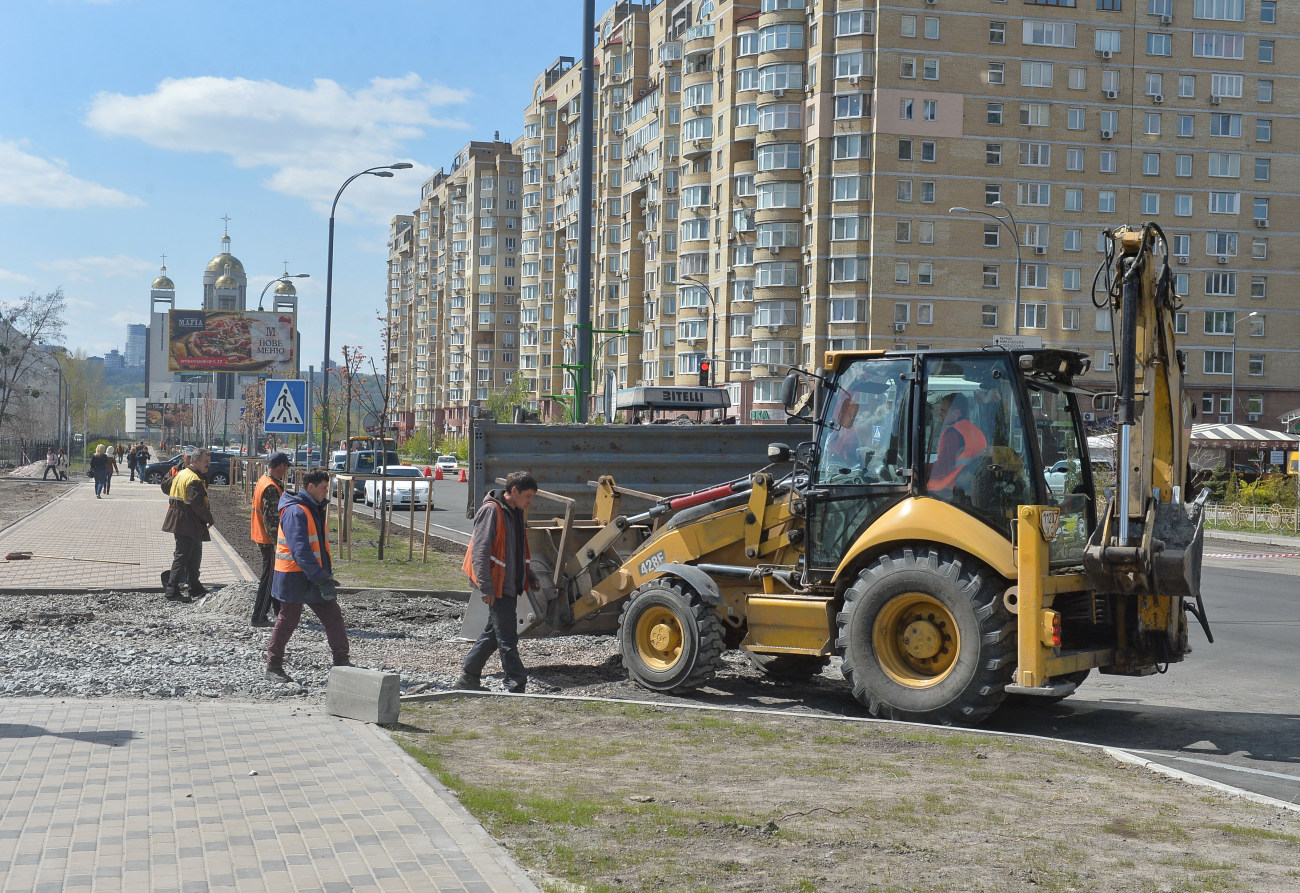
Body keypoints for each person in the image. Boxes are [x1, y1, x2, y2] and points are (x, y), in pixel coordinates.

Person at [454, 471, 540, 694]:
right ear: (513, 491)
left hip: (508, 584)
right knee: (507, 638)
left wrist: (529, 576)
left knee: (494, 634)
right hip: (497, 586)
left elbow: (517, 550)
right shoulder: (491, 512)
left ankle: (468, 676)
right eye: (528, 495)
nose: (530, 501)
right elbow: (480, 552)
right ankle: (515, 683)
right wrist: (486, 587)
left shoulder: (515, 512)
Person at [265, 469, 348, 683]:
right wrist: (321, 577)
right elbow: (300, 550)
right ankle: (273, 666)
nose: (326, 492)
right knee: (288, 619)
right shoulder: (297, 512)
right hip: (294, 576)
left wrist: (322, 575)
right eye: (323, 488)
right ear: (310, 487)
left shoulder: (311, 508)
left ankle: (342, 662)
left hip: (309, 575)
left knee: (333, 616)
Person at [162, 450, 214, 602]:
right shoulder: (193, 479)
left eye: (209, 463)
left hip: (181, 520)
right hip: (187, 522)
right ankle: (172, 590)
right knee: (183, 556)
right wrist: (209, 519)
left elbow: (166, 487)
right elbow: (197, 504)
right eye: (206, 463)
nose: (208, 466)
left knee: (193, 555)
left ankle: (194, 586)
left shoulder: (182, 473)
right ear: (196, 461)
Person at [250, 452, 290, 627]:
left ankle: (278, 609)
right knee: (269, 577)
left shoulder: (264, 480)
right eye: (286, 467)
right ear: (280, 466)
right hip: (268, 538)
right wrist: (278, 543)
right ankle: (258, 616)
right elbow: (271, 519)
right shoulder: (271, 487)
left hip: (261, 534)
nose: (286, 470)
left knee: (273, 576)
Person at [927, 393, 988, 494]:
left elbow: (943, 467)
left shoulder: (952, 433)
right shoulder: (976, 431)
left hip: (951, 487)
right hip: (971, 485)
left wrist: (921, 469)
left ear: (956, 413)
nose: (940, 414)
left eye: (943, 411)